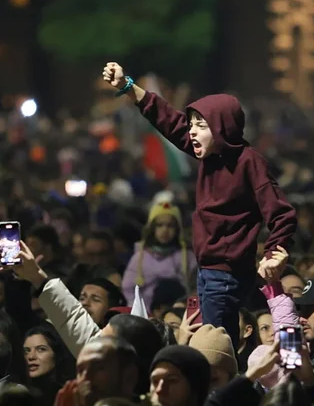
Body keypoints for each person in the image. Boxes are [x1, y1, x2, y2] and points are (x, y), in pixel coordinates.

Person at [103, 62, 297, 344]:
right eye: (191, 124)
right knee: (215, 344)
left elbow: (282, 212)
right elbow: (168, 119)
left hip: (227, 274)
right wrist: (127, 86)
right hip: (207, 270)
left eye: (200, 125)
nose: (191, 131)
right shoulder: (209, 155)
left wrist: (274, 251)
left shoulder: (249, 161)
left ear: (222, 127)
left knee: (215, 347)